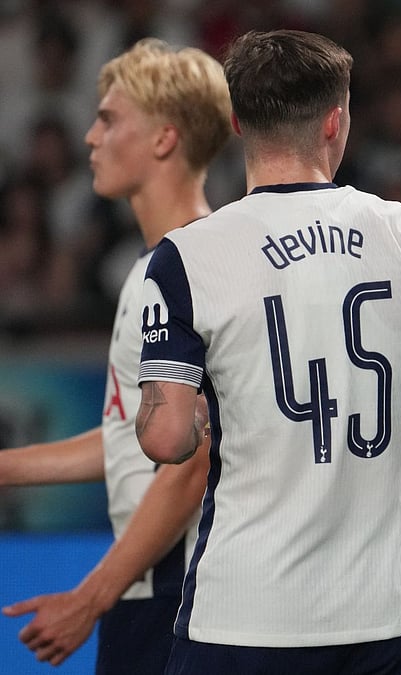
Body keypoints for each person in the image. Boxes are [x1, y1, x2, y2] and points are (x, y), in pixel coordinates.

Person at [133, 29, 401, 675]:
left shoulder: (186, 256)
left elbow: (166, 438)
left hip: (244, 609)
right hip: (378, 610)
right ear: (336, 121)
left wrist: (191, 413)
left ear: (237, 123)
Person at [0, 38, 231, 673]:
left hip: (177, 584)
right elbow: (133, 437)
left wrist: (89, 598)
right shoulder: (160, 264)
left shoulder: (188, 267)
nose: (90, 137)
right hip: (157, 581)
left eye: (108, 119)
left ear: (164, 138)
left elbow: (189, 461)